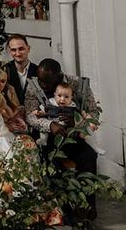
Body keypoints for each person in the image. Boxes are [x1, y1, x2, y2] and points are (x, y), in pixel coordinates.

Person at [25, 59, 100, 218]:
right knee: (52, 161)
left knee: (89, 157)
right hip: (51, 139)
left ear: (58, 77)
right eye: (40, 80)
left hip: (75, 137)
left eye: (47, 82)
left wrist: (78, 122)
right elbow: (30, 116)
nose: (43, 85)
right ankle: (64, 209)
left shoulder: (79, 85)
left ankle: (88, 205)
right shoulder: (34, 86)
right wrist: (50, 125)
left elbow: (93, 112)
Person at [4, 34, 37, 107]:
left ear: (28, 49)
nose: (18, 53)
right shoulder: (4, 70)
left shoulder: (38, 71)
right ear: (10, 51)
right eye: (13, 50)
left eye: (21, 49)